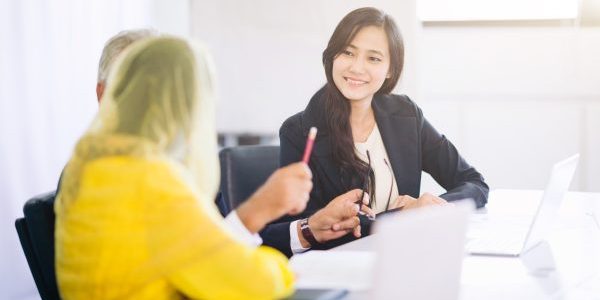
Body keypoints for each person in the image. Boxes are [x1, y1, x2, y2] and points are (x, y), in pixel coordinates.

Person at [55, 37, 317, 299]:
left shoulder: (88, 168)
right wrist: (281, 271)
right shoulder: (151, 182)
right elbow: (251, 284)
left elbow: (194, 254)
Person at [264, 7, 489, 255]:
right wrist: (401, 216)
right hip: (341, 268)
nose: (357, 68)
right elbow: (312, 229)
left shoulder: (406, 115)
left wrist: (434, 207)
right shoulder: (300, 131)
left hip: (404, 259)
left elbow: (473, 182)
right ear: (332, 57)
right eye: (348, 52)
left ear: (390, 69)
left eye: (374, 58)